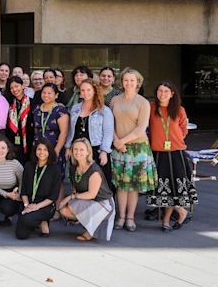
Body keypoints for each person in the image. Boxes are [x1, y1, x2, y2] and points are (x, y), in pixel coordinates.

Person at [109, 68, 156, 232]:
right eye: (126, 80)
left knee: (133, 186)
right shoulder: (114, 100)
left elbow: (141, 128)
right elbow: (110, 123)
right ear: (121, 82)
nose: (128, 83)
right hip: (118, 147)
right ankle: (121, 216)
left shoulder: (143, 102)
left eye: (132, 80)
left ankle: (130, 217)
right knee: (121, 185)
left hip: (137, 148)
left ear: (138, 82)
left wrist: (121, 141)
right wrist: (116, 140)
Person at [146, 82, 197, 232]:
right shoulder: (151, 107)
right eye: (160, 91)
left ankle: (167, 220)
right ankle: (181, 212)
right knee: (163, 187)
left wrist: (174, 138)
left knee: (174, 187)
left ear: (172, 94)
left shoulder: (179, 109)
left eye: (166, 91)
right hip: (158, 153)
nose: (162, 94)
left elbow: (184, 130)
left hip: (176, 153)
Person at [58, 138, 115, 241]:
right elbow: (75, 187)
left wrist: (70, 197)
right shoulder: (73, 167)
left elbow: (91, 194)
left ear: (88, 152)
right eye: (75, 149)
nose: (78, 152)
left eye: (81, 150)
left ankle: (91, 230)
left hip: (103, 203)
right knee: (64, 210)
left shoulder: (94, 170)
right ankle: (89, 223)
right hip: (87, 201)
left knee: (71, 206)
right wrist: (72, 197)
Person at [67, 80, 114, 188]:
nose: (85, 93)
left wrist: (104, 151)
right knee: (79, 181)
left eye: (88, 90)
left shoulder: (104, 110)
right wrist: (68, 147)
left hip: (96, 150)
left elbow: (108, 133)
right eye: (83, 90)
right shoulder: (75, 109)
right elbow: (71, 130)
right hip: (78, 151)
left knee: (99, 183)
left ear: (94, 91)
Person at [16, 140, 62, 239]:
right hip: (29, 204)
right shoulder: (28, 166)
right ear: (35, 151)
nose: (42, 152)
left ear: (50, 152)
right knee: (21, 235)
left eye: (45, 150)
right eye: (39, 149)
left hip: (45, 206)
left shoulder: (55, 169)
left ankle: (42, 221)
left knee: (27, 219)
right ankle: (36, 221)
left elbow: (53, 196)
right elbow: (23, 190)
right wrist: (27, 205)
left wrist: (36, 207)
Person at [3, 76, 35, 163]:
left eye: (16, 86)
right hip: (12, 139)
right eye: (11, 88)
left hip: (28, 139)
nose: (14, 89)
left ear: (22, 86)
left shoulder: (32, 102)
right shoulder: (8, 103)